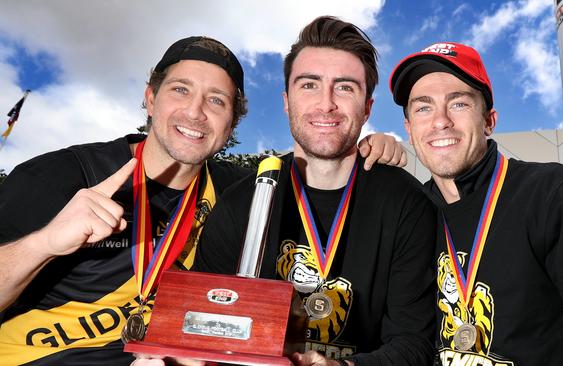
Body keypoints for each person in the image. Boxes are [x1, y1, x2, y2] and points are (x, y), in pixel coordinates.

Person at [0, 36, 404, 365]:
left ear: (231, 123)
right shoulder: (62, 175)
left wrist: (366, 147)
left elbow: (316, 168)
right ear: (151, 98)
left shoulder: (238, 191)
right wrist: (44, 243)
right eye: (180, 90)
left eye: (216, 101)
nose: (195, 113)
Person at [194, 16, 438, 366]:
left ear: (367, 107)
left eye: (345, 87)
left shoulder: (407, 203)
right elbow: (202, 330)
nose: (326, 104)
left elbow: (413, 344)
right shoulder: (240, 203)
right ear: (286, 100)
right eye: (309, 85)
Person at [389, 41, 563, 365]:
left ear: (489, 121)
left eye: (458, 104)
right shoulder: (410, 214)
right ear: (409, 129)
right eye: (423, 107)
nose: (440, 121)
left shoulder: (557, 194)